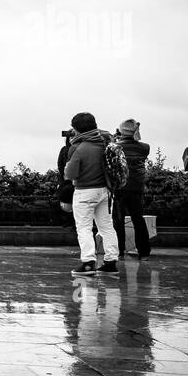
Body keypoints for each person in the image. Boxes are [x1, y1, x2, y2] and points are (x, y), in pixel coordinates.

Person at [63, 112, 119, 276]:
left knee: (84, 228)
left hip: (85, 192)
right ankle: (111, 262)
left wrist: (67, 168)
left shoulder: (78, 147)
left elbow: (71, 174)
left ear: (76, 129)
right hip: (105, 191)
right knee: (107, 227)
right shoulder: (106, 142)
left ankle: (88, 263)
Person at [111, 118, 151, 259]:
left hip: (119, 188)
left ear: (121, 131)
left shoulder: (114, 146)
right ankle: (144, 252)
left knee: (118, 221)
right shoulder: (145, 147)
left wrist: (115, 139)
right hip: (136, 187)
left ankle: (119, 251)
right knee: (138, 220)